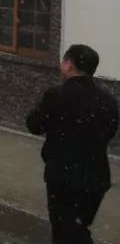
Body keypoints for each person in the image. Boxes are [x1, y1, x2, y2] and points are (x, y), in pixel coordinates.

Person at [27, 44, 119, 244]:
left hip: (64, 177)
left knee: (66, 232)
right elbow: (111, 133)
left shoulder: (56, 95)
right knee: (77, 227)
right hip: (96, 177)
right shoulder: (109, 100)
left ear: (69, 65)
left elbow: (34, 125)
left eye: (63, 62)